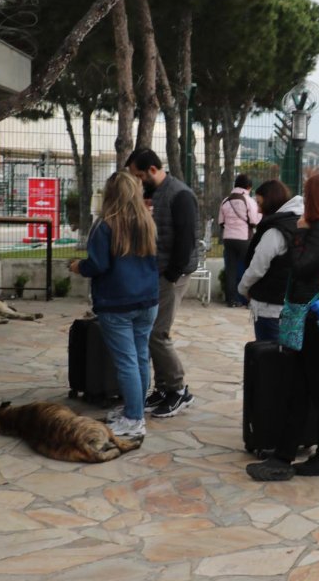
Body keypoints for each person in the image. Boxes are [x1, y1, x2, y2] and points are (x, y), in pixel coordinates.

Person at [246, 174, 319, 482]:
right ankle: (287, 454)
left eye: (308, 194)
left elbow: (302, 266)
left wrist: (298, 236)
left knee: (317, 387)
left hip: (311, 319)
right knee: (305, 387)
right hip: (316, 318)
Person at [70, 172, 160, 438]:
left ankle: (133, 418)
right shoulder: (147, 221)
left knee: (126, 361)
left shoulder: (105, 225)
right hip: (147, 300)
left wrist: (78, 266)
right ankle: (136, 409)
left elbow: (98, 265)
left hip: (116, 302)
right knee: (140, 356)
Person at [125, 148, 198, 418]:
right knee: (150, 333)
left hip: (171, 275)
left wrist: (171, 274)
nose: (137, 180)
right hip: (156, 272)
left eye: (139, 175)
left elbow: (186, 239)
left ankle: (179, 390)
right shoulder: (152, 194)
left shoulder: (180, 195)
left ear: (153, 170)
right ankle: (164, 388)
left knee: (157, 333)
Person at [239, 180, 303, 341]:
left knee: (270, 358)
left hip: (270, 307)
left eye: (260, 203)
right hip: (293, 303)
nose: (259, 209)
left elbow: (258, 267)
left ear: (270, 202)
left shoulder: (275, 231)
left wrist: (243, 288)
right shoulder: (298, 223)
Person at [219, 174, 260, 307]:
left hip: (228, 238)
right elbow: (254, 221)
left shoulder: (225, 201)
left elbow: (221, 221)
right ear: (249, 187)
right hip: (244, 239)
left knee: (230, 269)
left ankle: (231, 300)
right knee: (248, 268)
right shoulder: (249, 201)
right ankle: (247, 300)